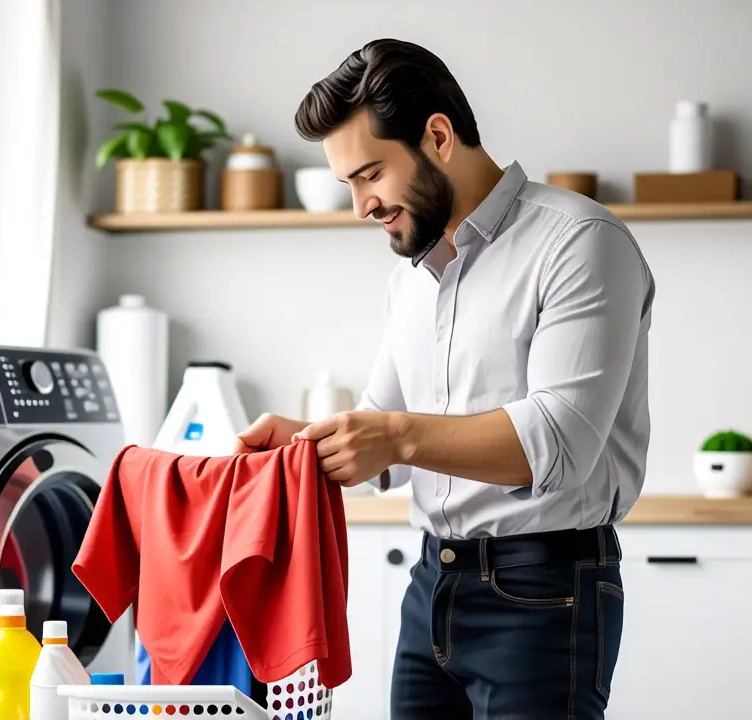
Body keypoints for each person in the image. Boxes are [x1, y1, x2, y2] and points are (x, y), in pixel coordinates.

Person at [234, 38, 655, 720]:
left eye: (371, 174)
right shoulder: (411, 279)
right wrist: (306, 441)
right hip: (431, 581)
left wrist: (395, 436)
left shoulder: (579, 242)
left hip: (546, 590)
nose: (361, 205)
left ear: (437, 136)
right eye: (349, 185)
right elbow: (387, 430)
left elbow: (559, 443)